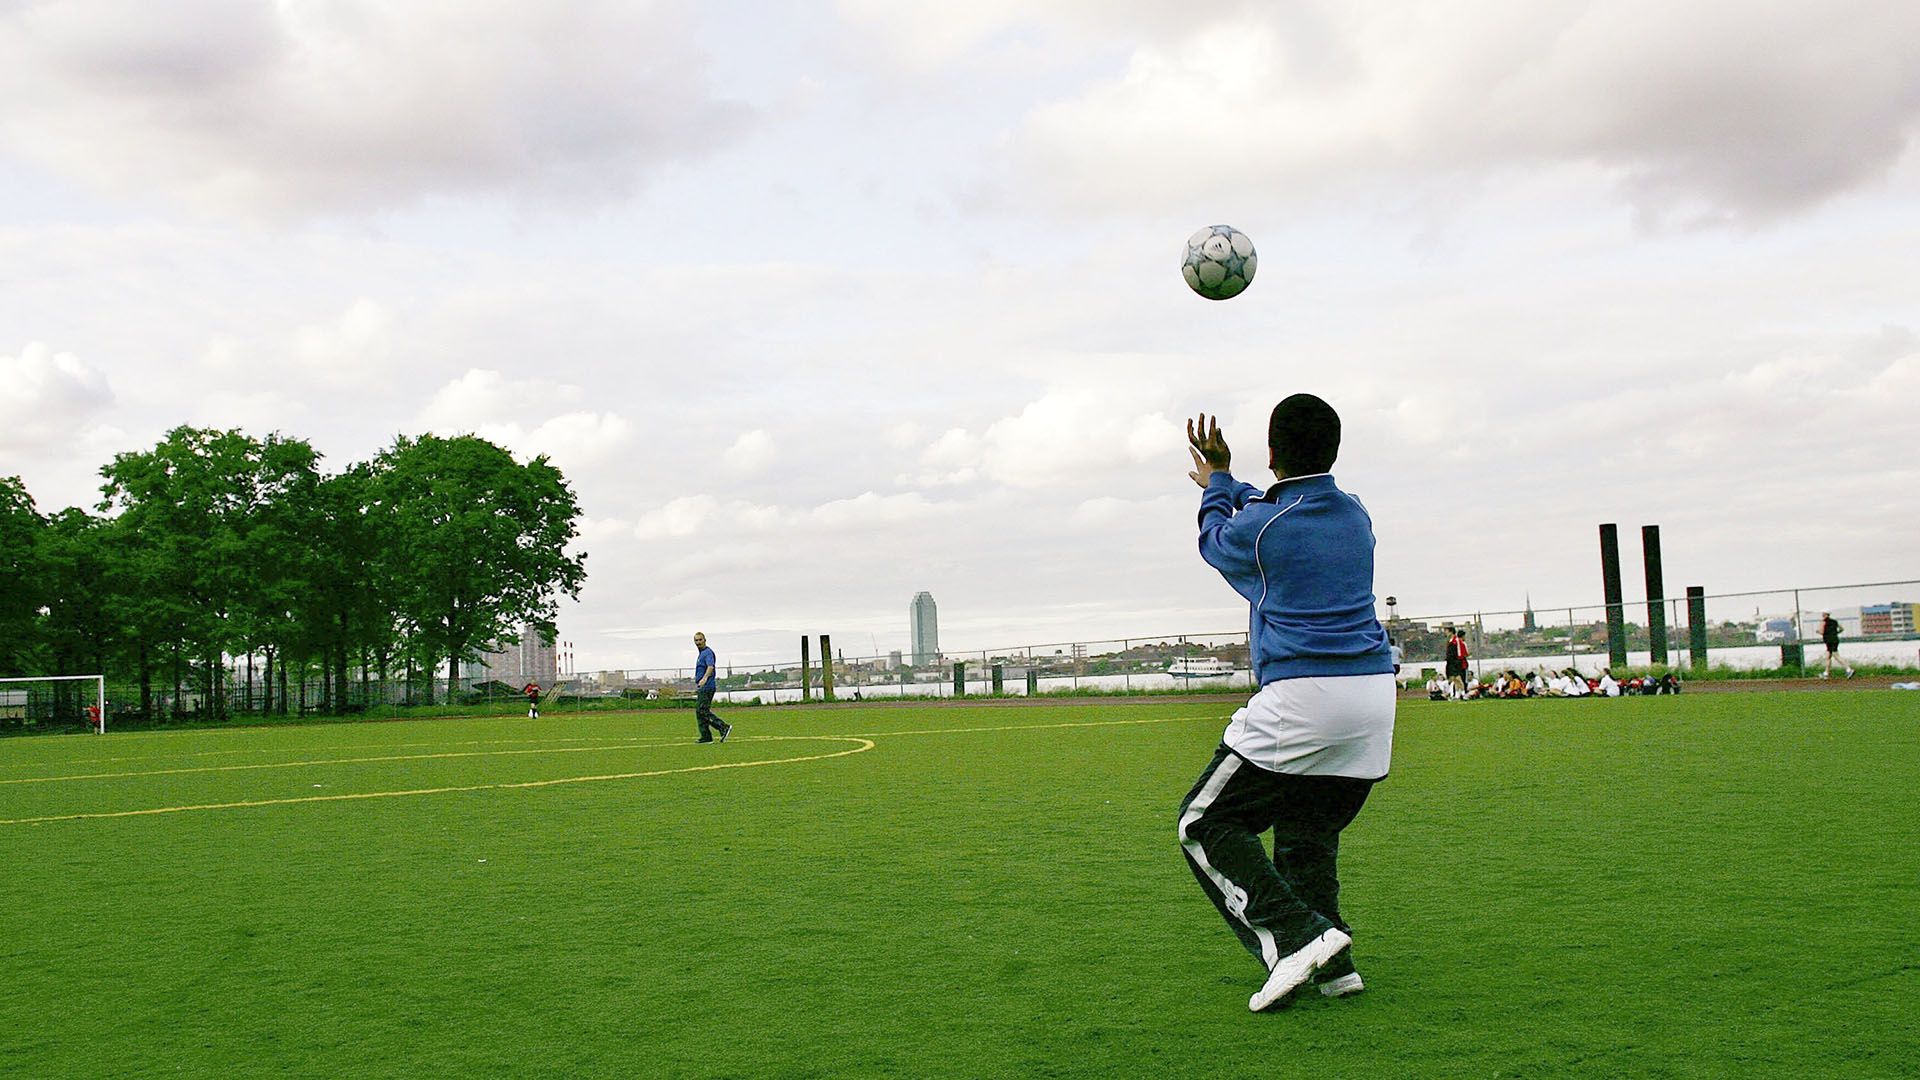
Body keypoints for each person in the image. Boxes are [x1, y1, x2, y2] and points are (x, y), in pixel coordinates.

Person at [1175, 397, 1396, 1013]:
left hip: (1306, 695)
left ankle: (1296, 940)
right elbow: (1275, 506)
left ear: (1271, 453)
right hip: (1375, 700)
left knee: (1203, 823)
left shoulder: (1264, 525)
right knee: (1306, 836)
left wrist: (1216, 485)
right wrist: (1228, 481)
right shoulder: (1355, 514)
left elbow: (1219, 541)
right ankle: (1337, 969)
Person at [692, 631, 732, 743]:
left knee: (702, 710)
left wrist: (704, 678)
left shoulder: (708, 653)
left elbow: (710, 667)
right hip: (702, 687)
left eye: (700, 640)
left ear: (705, 640)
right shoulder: (701, 654)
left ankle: (723, 727)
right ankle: (706, 736)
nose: (698, 642)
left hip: (707, 687)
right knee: (699, 711)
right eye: (696, 640)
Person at [1818, 613, 1854, 679]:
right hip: (1835, 640)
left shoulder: (1823, 622)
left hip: (1829, 641)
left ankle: (1848, 669)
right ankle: (1826, 673)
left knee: (1836, 655)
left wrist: (1818, 631)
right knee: (1828, 657)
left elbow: (1821, 631)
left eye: (1823, 614)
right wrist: (1835, 633)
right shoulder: (1834, 621)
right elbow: (1842, 629)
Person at [1444, 628, 1469, 700]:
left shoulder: (1457, 640)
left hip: (1456, 662)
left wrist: (1458, 660)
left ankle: (1464, 694)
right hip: (1451, 662)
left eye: (1447, 631)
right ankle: (1457, 694)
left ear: (1451, 632)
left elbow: (1459, 652)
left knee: (1458, 678)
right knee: (1454, 679)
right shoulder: (1450, 641)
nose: (1446, 633)